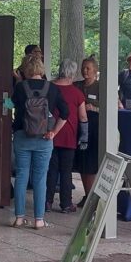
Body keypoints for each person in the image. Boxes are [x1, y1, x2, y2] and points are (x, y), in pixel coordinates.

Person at [10, 54, 69, 229]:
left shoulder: (21, 88)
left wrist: (2, 101)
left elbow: (10, 105)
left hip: (22, 136)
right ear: (41, 69)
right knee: (40, 178)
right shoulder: (52, 88)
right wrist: (53, 132)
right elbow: (65, 113)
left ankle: (19, 218)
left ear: (25, 70)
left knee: (21, 176)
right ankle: (39, 220)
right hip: (44, 139)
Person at [45, 59, 88, 213]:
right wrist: (84, 137)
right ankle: (66, 203)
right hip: (69, 135)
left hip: (49, 134)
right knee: (66, 170)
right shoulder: (77, 93)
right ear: (73, 72)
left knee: (51, 169)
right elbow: (83, 117)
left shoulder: (49, 87)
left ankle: (47, 201)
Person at [73, 56, 101, 203]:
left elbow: (114, 106)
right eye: (83, 68)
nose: (85, 71)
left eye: (88, 68)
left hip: (94, 129)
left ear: (95, 71)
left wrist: (94, 108)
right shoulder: (76, 85)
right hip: (78, 129)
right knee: (82, 162)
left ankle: (92, 196)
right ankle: (87, 194)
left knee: (91, 162)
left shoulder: (101, 86)